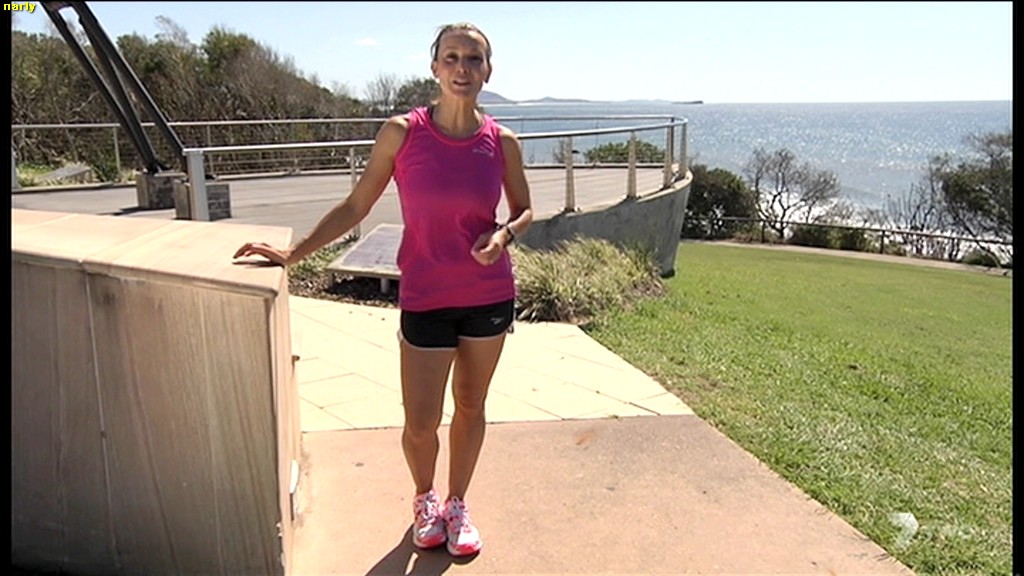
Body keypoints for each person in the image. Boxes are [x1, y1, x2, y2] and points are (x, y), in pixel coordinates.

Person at [233, 22, 532, 558]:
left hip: (487, 293)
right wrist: (293, 253)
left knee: (471, 405)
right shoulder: (403, 133)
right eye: (452, 57)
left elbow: (524, 210)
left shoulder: (502, 142)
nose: (462, 68)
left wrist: (504, 235)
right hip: (426, 295)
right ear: (434, 67)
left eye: (474, 59)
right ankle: (425, 499)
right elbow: (356, 205)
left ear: (488, 71)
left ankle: (457, 505)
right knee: (420, 421)